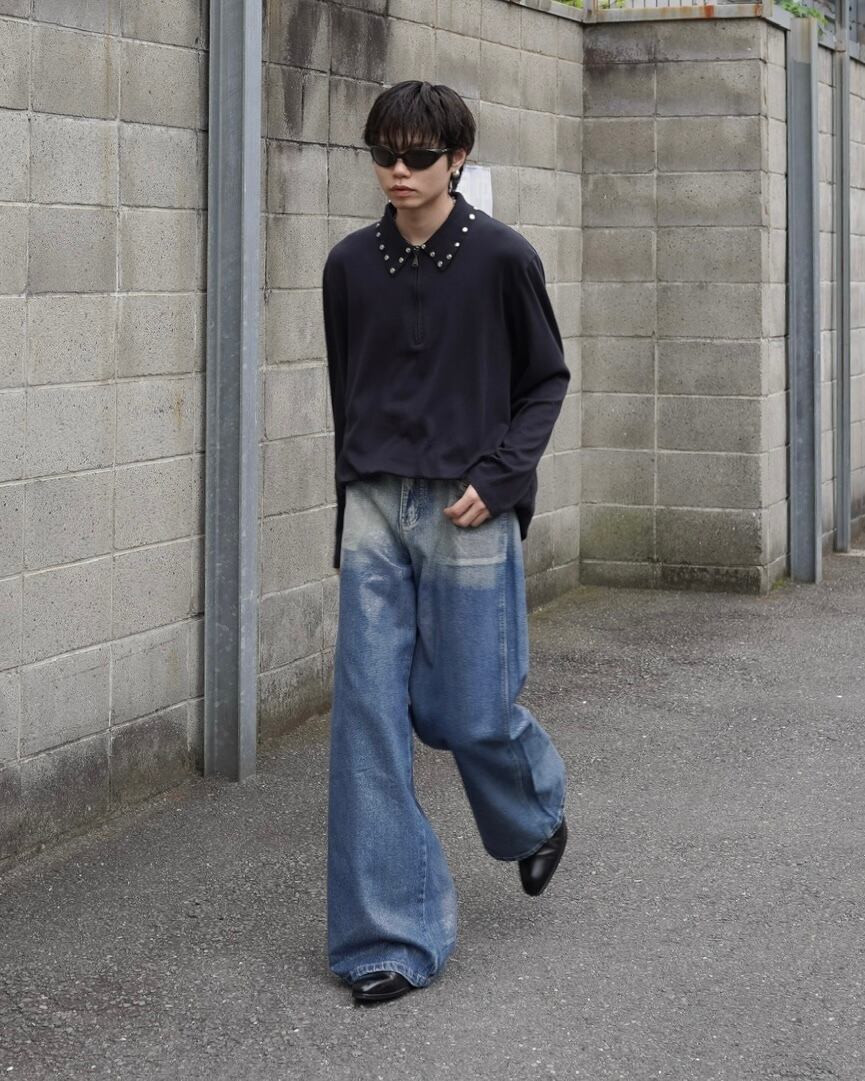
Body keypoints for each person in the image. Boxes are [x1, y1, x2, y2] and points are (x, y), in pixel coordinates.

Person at [321, 80, 569, 1006]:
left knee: (465, 710)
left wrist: (498, 481)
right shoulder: (349, 264)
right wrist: (350, 503)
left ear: (456, 159)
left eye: (418, 155)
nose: (398, 170)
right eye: (383, 153)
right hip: (375, 505)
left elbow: (544, 380)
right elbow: (347, 388)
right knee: (368, 721)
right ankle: (389, 937)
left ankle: (533, 812)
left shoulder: (502, 258)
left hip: (469, 504)